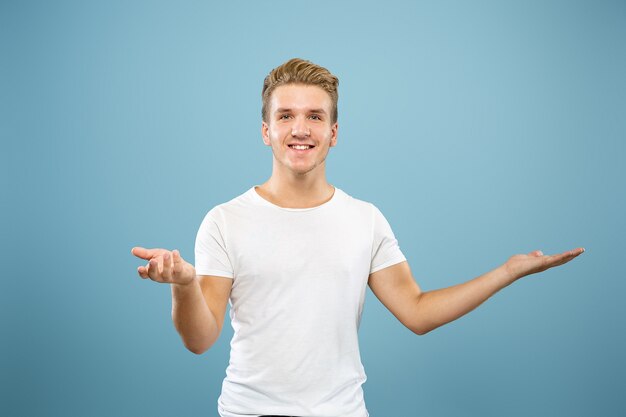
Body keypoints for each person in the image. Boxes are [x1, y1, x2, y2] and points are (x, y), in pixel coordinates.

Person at [131, 58, 584, 417]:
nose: (301, 128)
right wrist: (184, 287)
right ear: (266, 131)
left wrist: (508, 272)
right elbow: (200, 339)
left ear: (334, 132)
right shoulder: (225, 220)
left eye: (315, 116)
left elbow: (417, 311)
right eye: (285, 115)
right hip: (250, 412)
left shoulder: (365, 220)